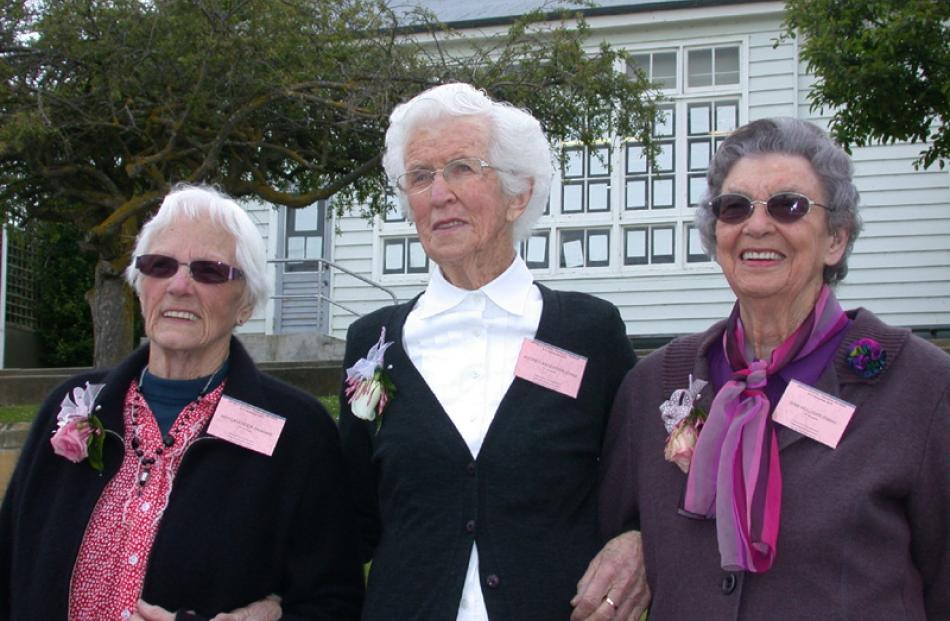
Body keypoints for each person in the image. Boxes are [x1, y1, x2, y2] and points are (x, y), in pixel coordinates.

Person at [600, 117, 950, 618]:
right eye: (735, 207)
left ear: (836, 239)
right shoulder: (654, 384)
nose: (757, 225)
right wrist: (632, 541)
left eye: (789, 206)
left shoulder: (921, 387)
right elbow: (614, 526)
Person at [338, 82, 647, 620]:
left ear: (518, 194)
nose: (439, 194)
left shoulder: (587, 332)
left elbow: (641, 480)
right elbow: (346, 520)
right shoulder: (373, 344)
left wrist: (639, 541)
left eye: (461, 167)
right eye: (420, 176)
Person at [0, 185, 364, 620]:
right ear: (140, 285)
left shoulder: (298, 432)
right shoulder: (75, 405)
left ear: (245, 304)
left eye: (209, 271)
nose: (178, 286)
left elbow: (334, 603)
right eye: (159, 265)